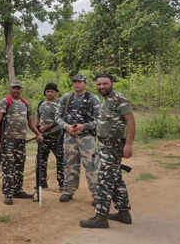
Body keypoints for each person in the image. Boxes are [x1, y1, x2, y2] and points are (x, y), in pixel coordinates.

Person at [80, 73, 135, 228]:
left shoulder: (119, 99)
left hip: (113, 146)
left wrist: (129, 144)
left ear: (112, 83)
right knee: (116, 178)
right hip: (105, 145)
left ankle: (100, 218)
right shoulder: (104, 101)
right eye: (99, 84)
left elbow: (130, 121)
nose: (102, 87)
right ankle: (124, 213)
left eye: (105, 83)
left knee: (104, 179)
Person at [0, 80, 44, 205]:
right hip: (7, 139)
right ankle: (8, 193)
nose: (16, 90)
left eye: (18, 88)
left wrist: (38, 134)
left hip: (21, 140)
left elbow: (30, 123)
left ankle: (17, 190)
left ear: (21, 90)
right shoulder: (5, 101)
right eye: (14, 88)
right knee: (8, 166)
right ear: (10, 89)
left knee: (19, 165)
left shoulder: (25, 103)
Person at [55, 75, 100, 203]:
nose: (77, 84)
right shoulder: (66, 98)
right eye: (75, 82)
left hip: (87, 137)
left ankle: (97, 195)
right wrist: (66, 126)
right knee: (70, 165)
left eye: (80, 82)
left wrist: (84, 126)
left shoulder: (93, 99)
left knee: (91, 166)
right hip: (70, 137)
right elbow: (57, 117)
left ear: (85, 83)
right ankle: (68, 191)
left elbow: (99, 119)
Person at [35, 83, 65, 191]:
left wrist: (47, 127)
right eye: (48, 91)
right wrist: (37, 131)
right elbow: (38, 118)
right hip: (43, 137)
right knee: (41, 161)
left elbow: (60, 120)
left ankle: (62, 184)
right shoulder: (41, 104)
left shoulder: (60, 104)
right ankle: (41, 183)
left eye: (52, 91)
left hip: (57, 137)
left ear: (56, 93)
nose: (50, 93)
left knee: (61, 161)